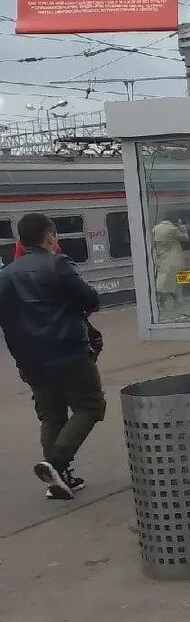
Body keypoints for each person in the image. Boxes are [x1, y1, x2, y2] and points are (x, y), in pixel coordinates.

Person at [0, 212, 105, 501]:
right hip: (68, 354)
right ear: (50, 236)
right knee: (91, 407)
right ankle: (56, 464)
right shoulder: (58, 264)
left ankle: (59, 481)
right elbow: (90, 299)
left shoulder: (5, 276)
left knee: (51, 415)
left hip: (30, 361)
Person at [151, 217, 189, 316]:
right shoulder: (173, 229)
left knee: (163, 284)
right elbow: (186, 238)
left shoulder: (156, 228)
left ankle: (162, 304)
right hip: (176, 261)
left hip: (162, 261)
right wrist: (182, 227)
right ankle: (179, 305)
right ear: (175, 221)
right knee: (178, 285)